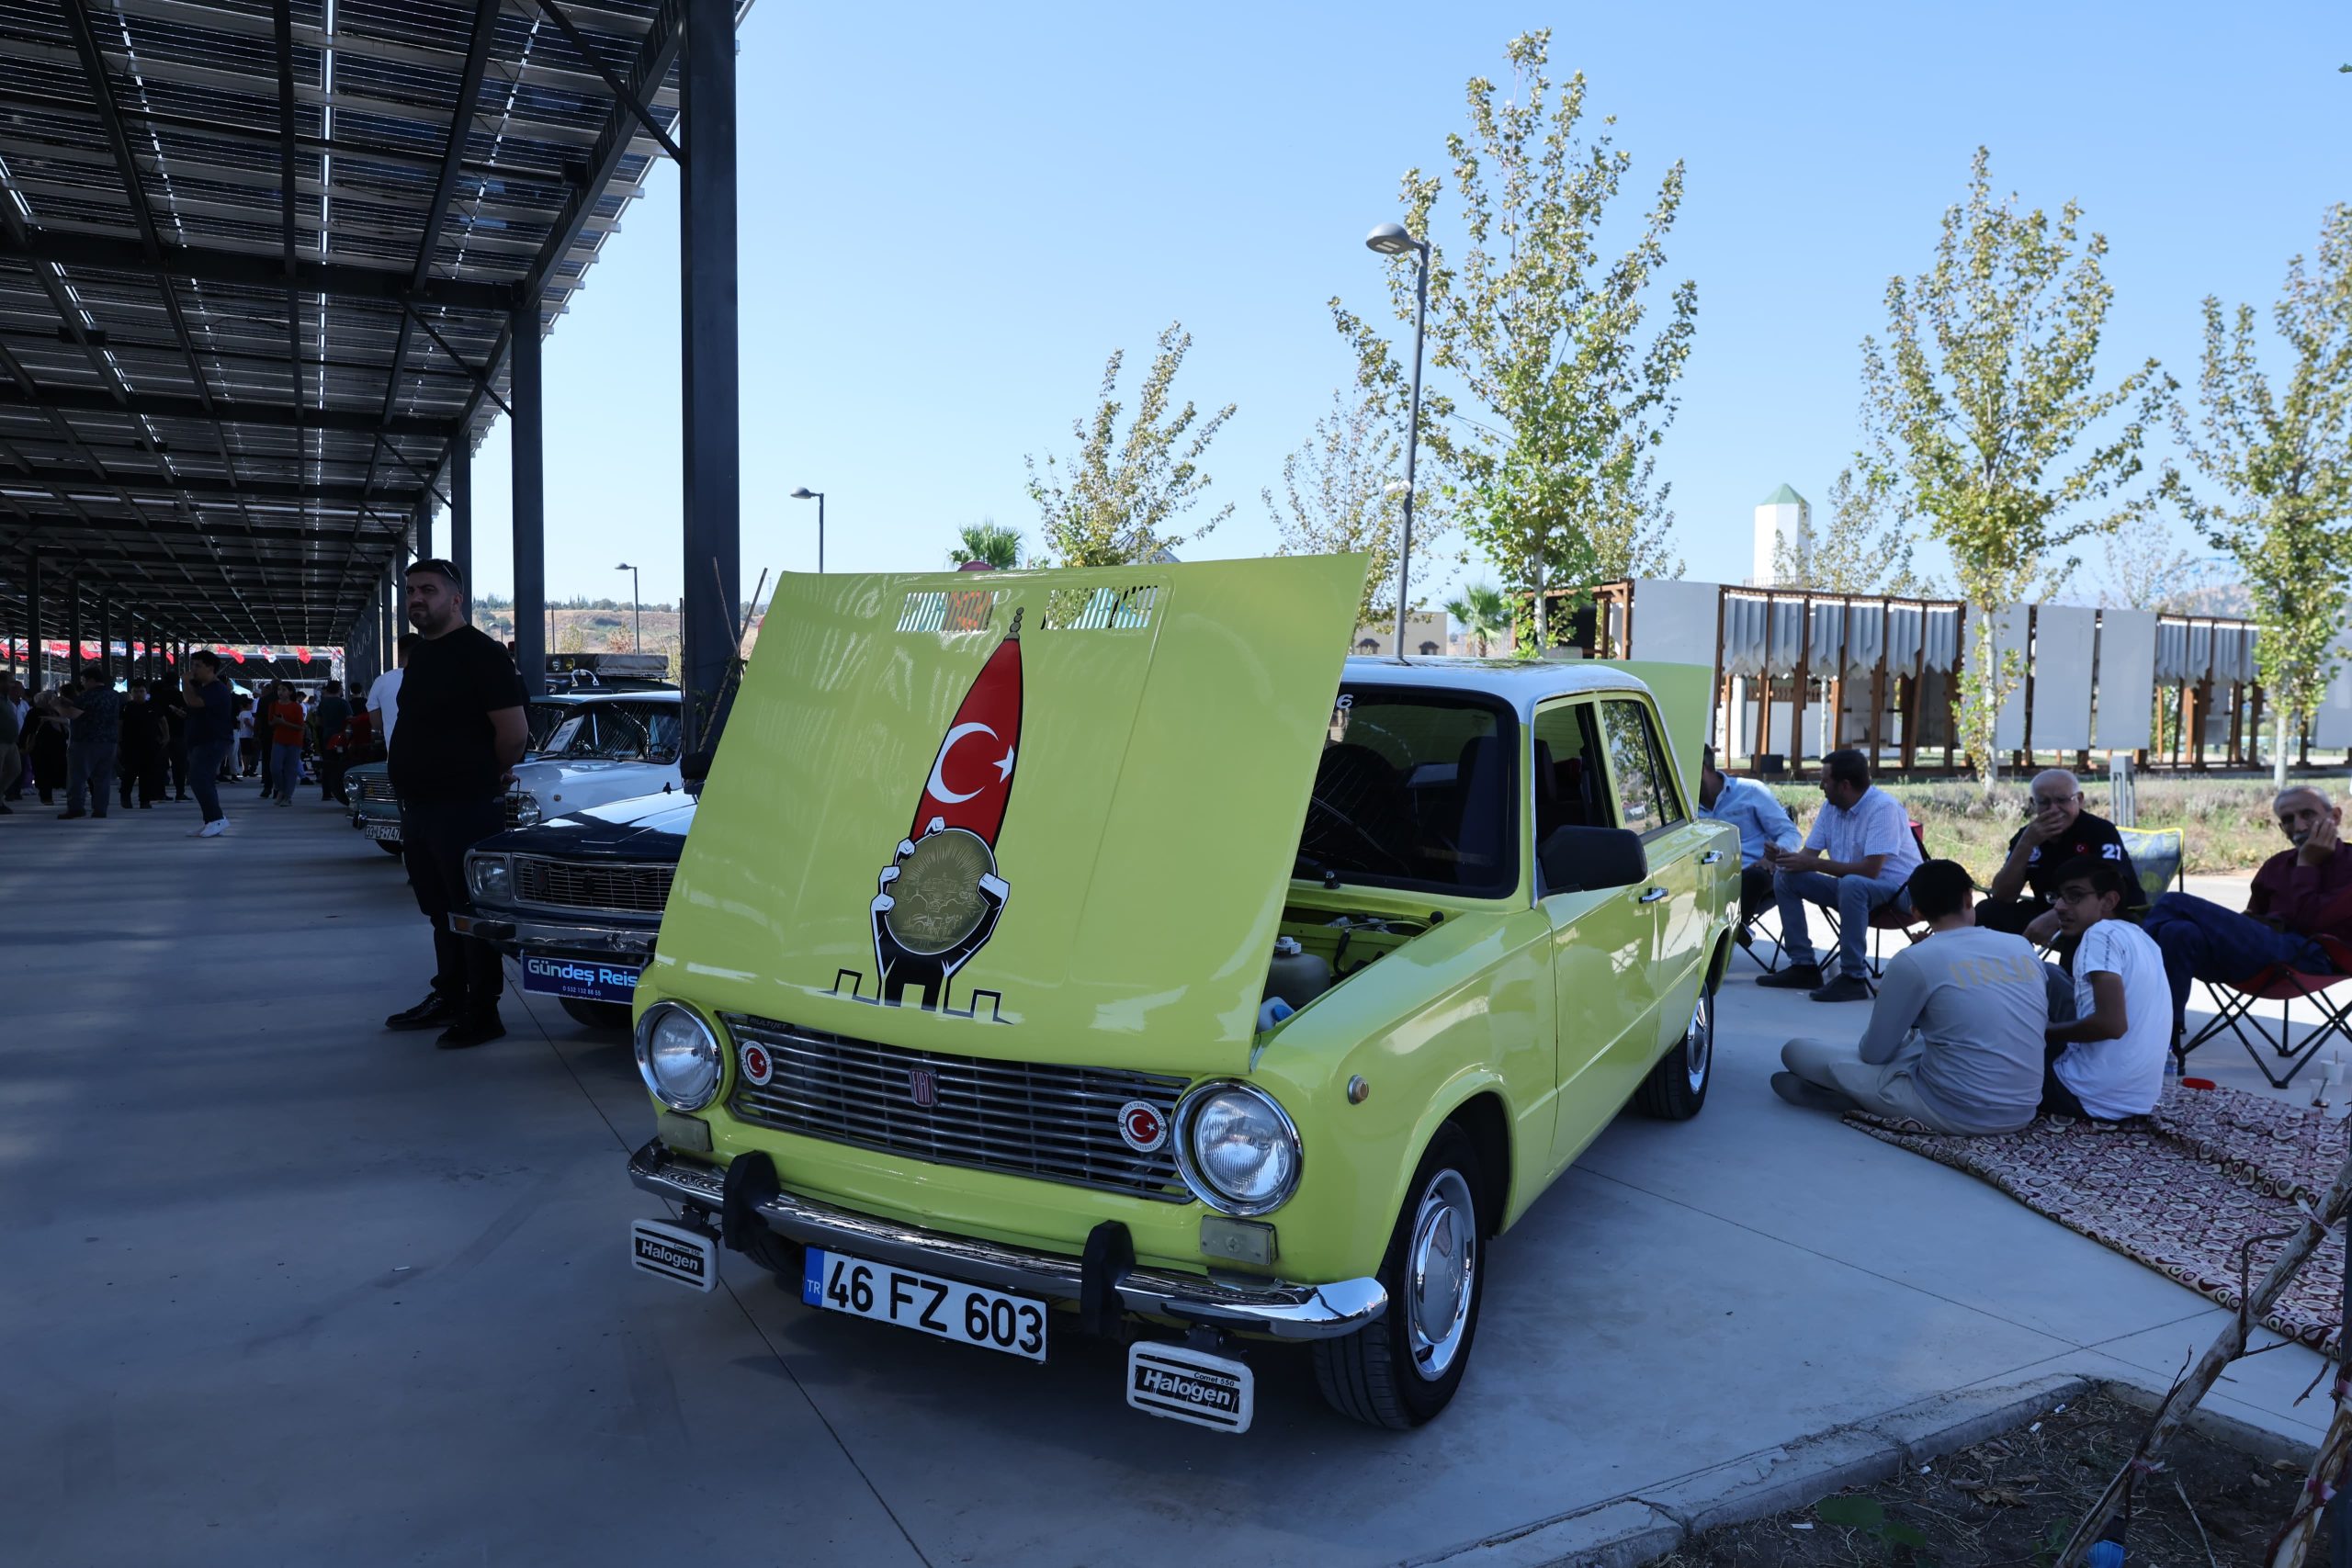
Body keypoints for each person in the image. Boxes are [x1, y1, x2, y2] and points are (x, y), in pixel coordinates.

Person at [1772, 860, 2049, 1134]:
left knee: (1796, 1051)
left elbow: (1874, 1053)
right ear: (1969, 898)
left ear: (1915, 912)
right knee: (1930, 1044)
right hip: (2022, 1109)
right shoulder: (2021, 946)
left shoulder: (1915, 959)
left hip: (1955, 1111)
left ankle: (1859, 1099)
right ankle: (1866, 1096)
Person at [385, 560, 528, 1050]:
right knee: (438, 909)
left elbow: (513, 734)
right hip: (420, 807)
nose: (416, 599)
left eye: (428, 590)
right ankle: (449, 994)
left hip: (464, 805)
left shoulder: (482, 654)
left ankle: (483, 1010)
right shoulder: (423, 655)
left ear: (456, 598)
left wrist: (485, 773)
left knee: (469, 912)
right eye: (410, 591)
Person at [2139, 785, 2352, 1038]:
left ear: (2335, 816)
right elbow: (2253, 917)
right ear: (2282, 829)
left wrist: (2306, 864)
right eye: (2288, 820)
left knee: (2174, 902)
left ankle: (2129, 991)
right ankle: (2165, 1037)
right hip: (2262, 954)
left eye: (2308, 814)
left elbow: (2309, 922)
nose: (2300, 826)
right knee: (2177, 932)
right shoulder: (2276, 865)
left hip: (2318, 957)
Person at [1758, 748, 1924, 1002]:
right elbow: (1808, 857)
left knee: (1853, 884)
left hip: (1900, 895)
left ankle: (1853, 977)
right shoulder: (1830, 808)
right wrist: (1783, 858)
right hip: (1852, 891)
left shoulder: (1883, 809)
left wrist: (1810, 864)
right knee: (1787, 877)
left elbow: (1871, 871)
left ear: (1844, 785)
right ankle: (1803, 966)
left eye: (1825, 780)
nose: (1820, 786)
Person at [2042, 857, 2172, 1121]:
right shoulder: (2144, 939)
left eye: (2074, 897)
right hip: (2138, 1100)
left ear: (2109, 901)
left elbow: (2111, 1025)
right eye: (2057, 897)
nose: (2058, 906)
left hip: (2086, 1095)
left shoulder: (2099, 934)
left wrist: (2043, 1032)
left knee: (1999, 1046)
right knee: (2049, 973)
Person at [1975, 769, 2141, 941]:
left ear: (2080, 800)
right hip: (2048, 908)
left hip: (2099, 915)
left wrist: (2058, 916)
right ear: (2033, 803)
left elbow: (2112, 885)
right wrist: (2026, 844)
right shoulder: (2027, 835)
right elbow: (2002, 896)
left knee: (2082, 933)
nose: (2054, 809)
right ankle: (2001, 966)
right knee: (1988, 911)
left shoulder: (2099, 831)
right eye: (2044, 802)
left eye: (2062, 800)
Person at [1698, 746, 1801, 942]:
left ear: (1702, 768)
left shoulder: (1750, 791)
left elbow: (1789, 833)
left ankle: (1729, 935)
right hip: (1707, 879)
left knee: (1755, 877)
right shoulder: (1684, 807)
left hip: (1754, 872)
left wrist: (1775, 854)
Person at [180, 650, 237, 838]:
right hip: (201, 740)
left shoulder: (216, 688)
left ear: (210, 668)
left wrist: (185, 682)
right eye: (192, 665)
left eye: (198, 666)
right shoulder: (206, 687)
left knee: (200, 779)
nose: (193, 670)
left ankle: (216, 818)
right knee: (201, 780)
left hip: (213, 740)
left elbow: (193, 702)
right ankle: (211, 821)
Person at [54, 663, 120, 820]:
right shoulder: (113, 696)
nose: (82, 683)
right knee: (102, 778)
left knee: (77, 777)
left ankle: (76, 808)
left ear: (91, 680)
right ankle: (100, 809)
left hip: (85, 741)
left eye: (83, 680)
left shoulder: (86, 696)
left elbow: (72, 714)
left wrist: (57, 706)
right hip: (109, 741)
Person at [116, 680, 167, 809]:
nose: (139, 694)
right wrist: (118, 742)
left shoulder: (153, 706)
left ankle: (145, 800)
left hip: (149, 745)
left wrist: (166, 736)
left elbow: (163, 721)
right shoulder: (126, 707)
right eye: (135, 691)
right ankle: (125, 796)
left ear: (146, 692)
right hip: (130, 746)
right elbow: (119, 725)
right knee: (129, 773)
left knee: (147, 774)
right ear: (131, 693)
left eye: (141, 691)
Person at [369, 634, 415, 749]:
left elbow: (376, 724)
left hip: (397, 755)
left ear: (399, 654)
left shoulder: (381, 681)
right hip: (435, 758)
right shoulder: (437, 679)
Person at [266, 682, 306, 807]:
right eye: (279, 690)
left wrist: (283, 722)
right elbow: (270, 723)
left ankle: (287, 796)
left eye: (283, 690)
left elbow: (300, 727)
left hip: (294, 741)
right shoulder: (273, 705)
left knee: (290, 769)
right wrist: (277, 722)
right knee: (275, 768)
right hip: (279, 740)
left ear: (290, 692)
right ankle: (281, 789)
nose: (280, 692)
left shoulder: (297, 707)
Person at [311, 679, 353, 803]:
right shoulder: (343, 703)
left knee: (328, 764)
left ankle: (326, 792)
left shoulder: (323, 703)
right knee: (342, 764)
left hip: (327, 735)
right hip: (341, 737)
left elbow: (318, 721)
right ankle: (341, 790)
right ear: (340, 690)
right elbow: (350, 719)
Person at [0, 677, 19, 814]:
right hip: (1, 740)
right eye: (9, 682)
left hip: (11, 741)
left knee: (15, 769)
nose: (12, 685)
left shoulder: (7, 700)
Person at [234, 695, 257, 777]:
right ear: (247, 705)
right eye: (251, 704)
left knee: (246, 753)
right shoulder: (246, 713)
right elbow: (246, 721)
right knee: (247, 753)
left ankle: (246, 768)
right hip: (247, 735)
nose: (252, 706)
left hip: (243, 735)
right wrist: (253, 728)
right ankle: (246, 769)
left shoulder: (242, 713)